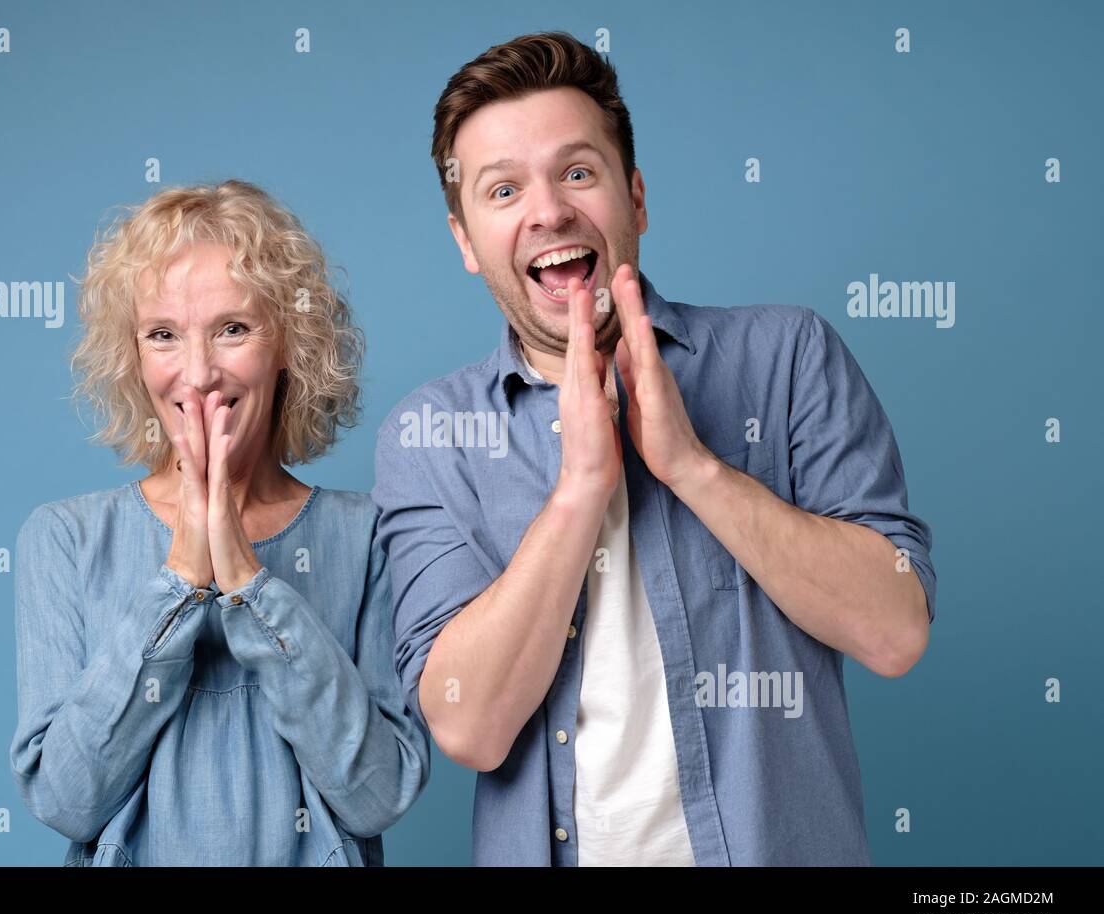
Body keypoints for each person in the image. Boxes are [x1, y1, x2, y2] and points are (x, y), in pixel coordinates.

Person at [372, 32, 938, 866]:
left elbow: (897, 633)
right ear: (465, 240)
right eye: (502, 190)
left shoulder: (787, 357)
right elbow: (468, 725)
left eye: (577, 172)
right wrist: (579, 489)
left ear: (634, 198)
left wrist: (693, 468)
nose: (549, 211)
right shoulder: (428, 439)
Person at [9, 180, 428, 866]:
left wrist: (248, 582)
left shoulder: (370, 537)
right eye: (163, 335)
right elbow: (67, 800)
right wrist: (180, 579)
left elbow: (376, 795)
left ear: (291, 340)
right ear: (135, 356)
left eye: (233, 329)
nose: (199, 374)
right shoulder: (64, 538)